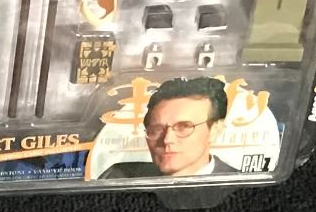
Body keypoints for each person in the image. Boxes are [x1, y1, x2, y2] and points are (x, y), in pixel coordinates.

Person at [99, 75, 240, 181]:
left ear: (215, 130)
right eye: (157, 129)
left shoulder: (242, 186)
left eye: (183, 127)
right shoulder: (118, 177)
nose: (167, 139)